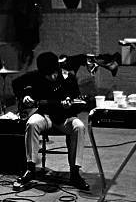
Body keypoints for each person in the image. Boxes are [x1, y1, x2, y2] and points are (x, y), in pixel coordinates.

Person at [12, 52, 90, 191]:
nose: (52, 77)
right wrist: (24, 96)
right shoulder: (36, 76)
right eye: (48, 75)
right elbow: (16, 84)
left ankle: (75, 173)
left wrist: (69, 102)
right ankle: (30, 169)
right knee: (32, 123)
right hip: (44, 116)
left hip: (64, 117)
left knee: (79, 126)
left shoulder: (68, 76)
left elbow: (76, 97)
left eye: (54, 73)